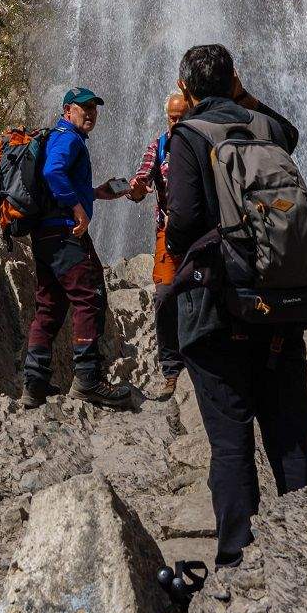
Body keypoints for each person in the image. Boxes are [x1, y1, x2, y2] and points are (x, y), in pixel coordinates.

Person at [164, 42, 307, 569]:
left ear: (186, 89)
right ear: (234, 80)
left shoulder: (187, 136)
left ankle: (238, 558)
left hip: (217, 310)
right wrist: (243, 95)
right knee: (290, 436)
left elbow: (183, 221)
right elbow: (292, 134)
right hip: (280, 305)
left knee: (230, 441)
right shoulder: (267, 128)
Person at [22, 85, 136, 412]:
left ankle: (35, 383)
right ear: (67, 110)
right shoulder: (68, 138)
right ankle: (87, 379)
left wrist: (95, 193)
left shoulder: (60, 137)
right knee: (89, 297)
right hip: (64, 236)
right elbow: (52, 171)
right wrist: (77, 208)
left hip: (45, 238)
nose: (90, 113)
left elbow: (58, 178)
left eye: (94, 108)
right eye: (83, 107)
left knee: (50, 306)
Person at [128, 90, 190, 400]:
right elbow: (141, 182)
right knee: (165, 294)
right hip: (168, 232)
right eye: (173, 117)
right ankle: (170, 366)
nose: (177, 122)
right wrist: (138, 188)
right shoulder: (159, 146)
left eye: (182, 117)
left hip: (201, 233)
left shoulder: (201, 142)